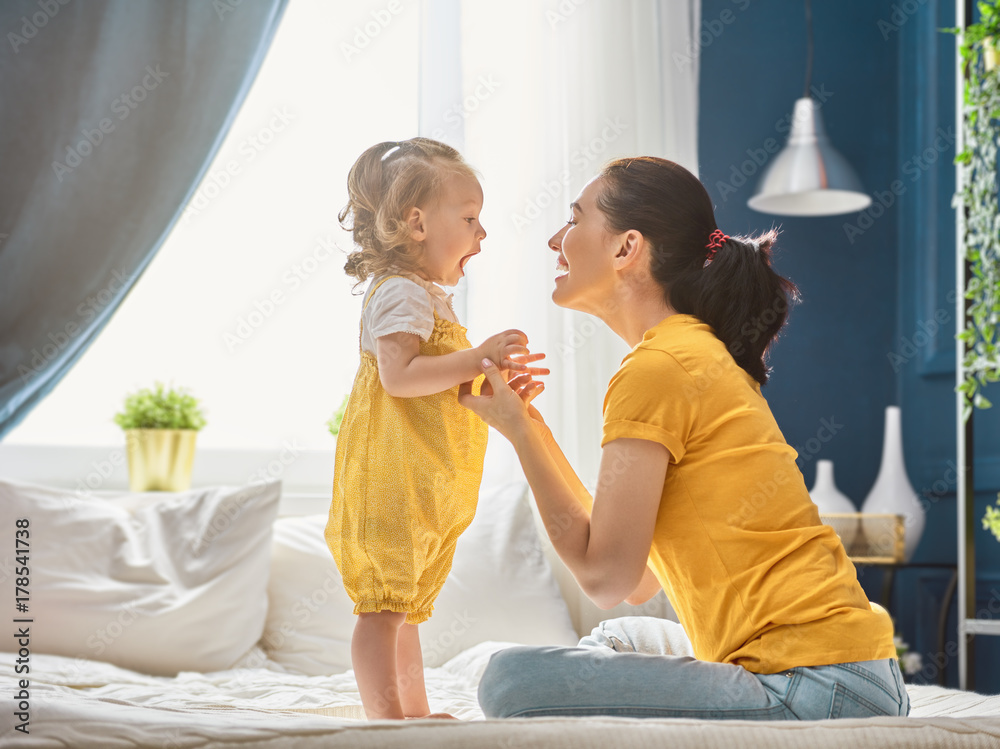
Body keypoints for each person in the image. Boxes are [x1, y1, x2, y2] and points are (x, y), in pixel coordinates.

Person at [458, 156, 908, 720]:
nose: (556, 239)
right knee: (620, 634)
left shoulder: (659, 367)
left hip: (814, 684)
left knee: (507, 680)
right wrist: (527, 425)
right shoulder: (687, 350)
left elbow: (604, 576)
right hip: (853, 673)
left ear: (626, 249)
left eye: (573, 220)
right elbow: (639, 578)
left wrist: (519, 437)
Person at [325, 137, 547, 720]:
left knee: (403, 612)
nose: (482, 233)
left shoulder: (424, 296)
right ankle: (385, 721)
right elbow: (399, 378)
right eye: (470, 218)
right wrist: (477, 357)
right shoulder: (400, 292)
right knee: (383, 611)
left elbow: (434, 384)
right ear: (416, 223)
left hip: (419, 482)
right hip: (391, 480)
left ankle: (413, 714)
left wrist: (490, 378)